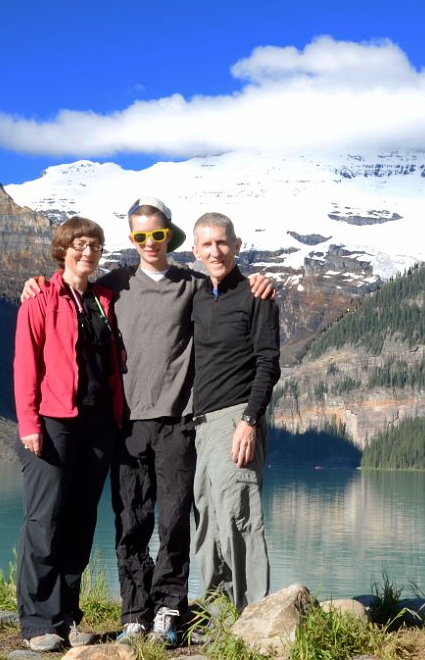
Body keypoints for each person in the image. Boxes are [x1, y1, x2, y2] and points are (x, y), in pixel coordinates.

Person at [21, 197, 273, 646]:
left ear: (170, 237)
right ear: (132, 240)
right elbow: (63, 291)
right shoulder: (112, 287)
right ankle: (134, 612)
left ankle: (169, 611)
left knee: (175, 522)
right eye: (140, 236)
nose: (150, 242)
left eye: (157, 234)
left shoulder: (192, 284)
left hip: (179, 423)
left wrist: (258, 281)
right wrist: (35, 282)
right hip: (125, 425)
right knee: (130, 522)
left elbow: (226, 285)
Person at [13, 217, 124, 652]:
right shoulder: (39, 298)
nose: (88, 252)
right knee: (45, 520)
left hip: (96, 425)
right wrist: (29, 424)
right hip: (53, 420)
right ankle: (38, 619)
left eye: (95, 246)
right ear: (63, 249)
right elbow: (26, 366)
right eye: (79, 245)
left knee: (81, 521)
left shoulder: (103, 300)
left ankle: (68, 617)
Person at [189, 212, 280, 613]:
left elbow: (268, 364)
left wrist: (249, 420)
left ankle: (254, 617)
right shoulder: (196, 296)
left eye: (222, 242)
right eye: (207, 244)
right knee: (208, 522)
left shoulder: (255, 296)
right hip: (202, 425)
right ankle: (216, 613)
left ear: (237, 245)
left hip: (236, 420)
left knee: (239, 517)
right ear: (195, 251)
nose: (215, 251)